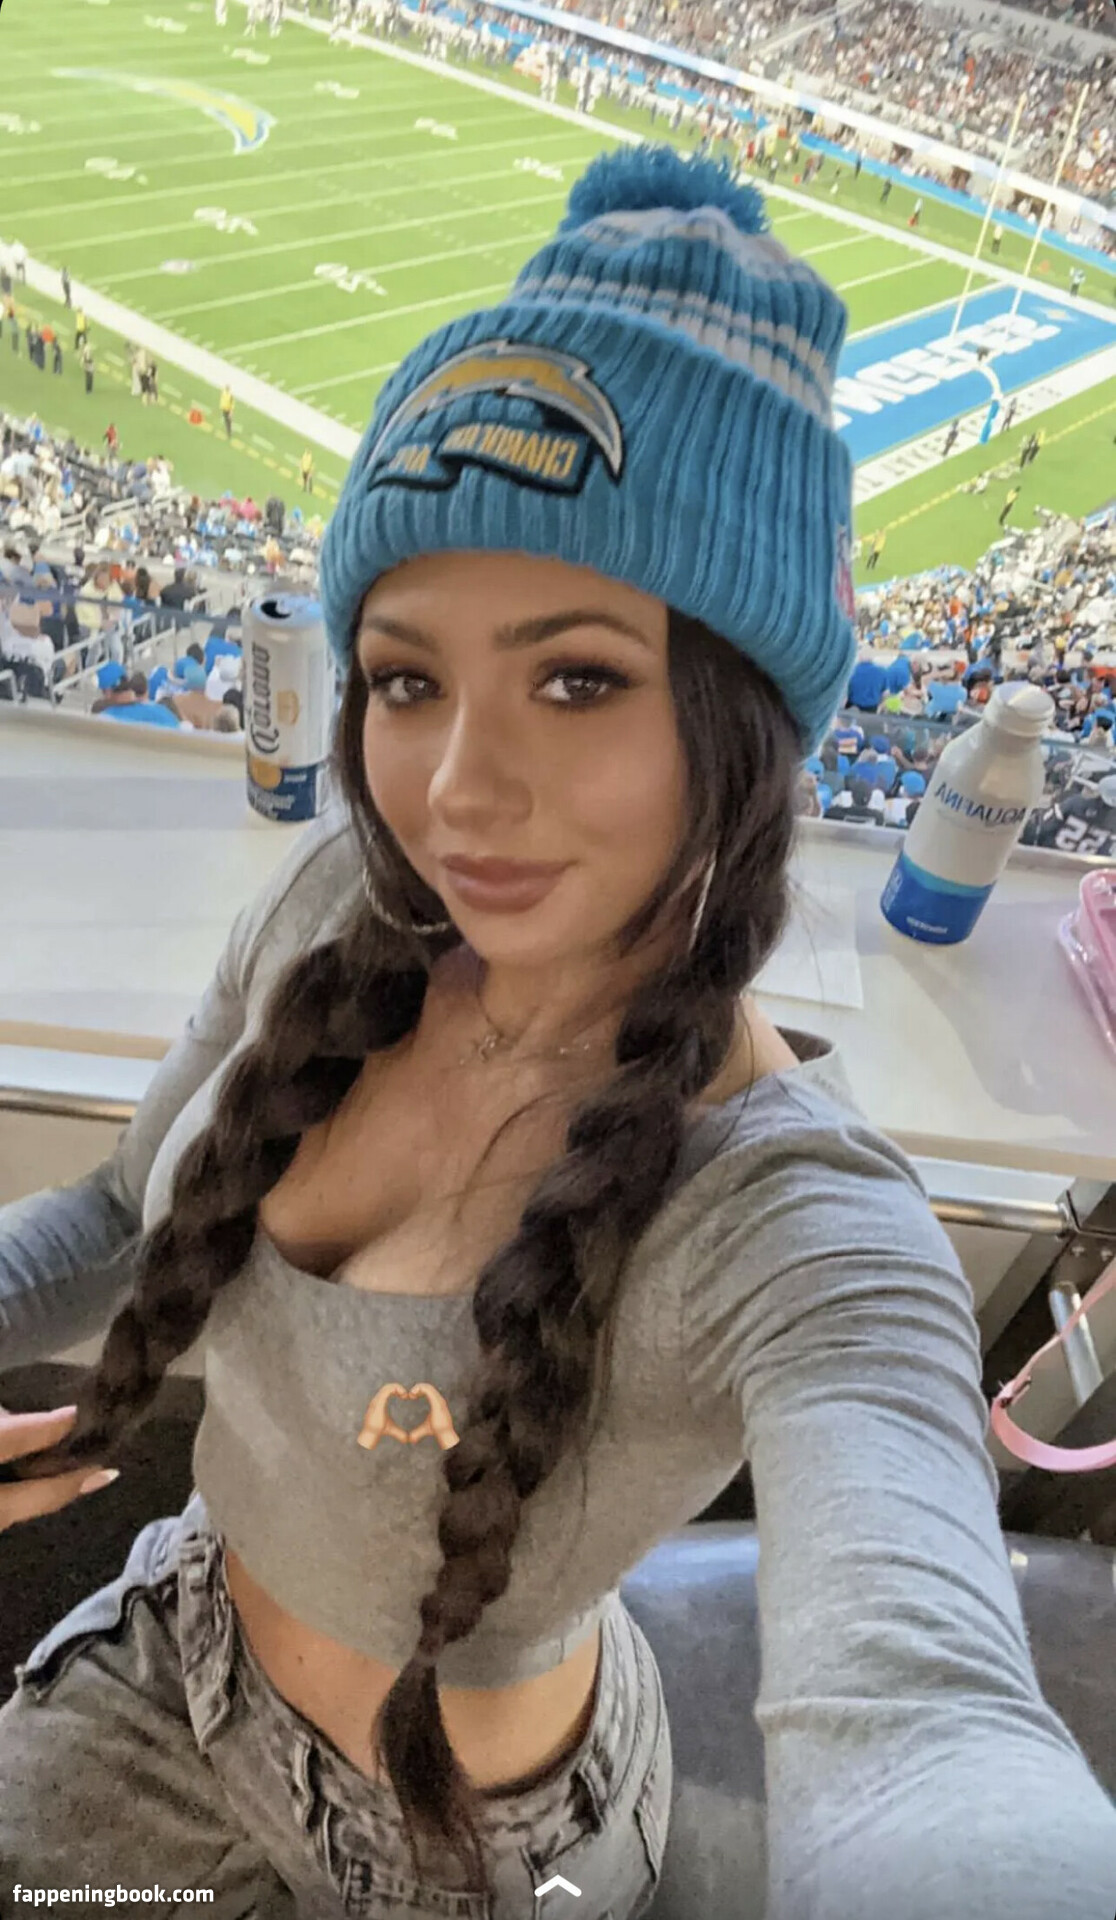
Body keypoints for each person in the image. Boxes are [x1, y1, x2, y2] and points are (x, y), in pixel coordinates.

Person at [1, 144, 1114, 1920]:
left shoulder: (794, 1223)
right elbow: (123, 1220)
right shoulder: (329, 907)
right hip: (174, 1659)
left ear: (740, 720)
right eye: (407, 678)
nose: (456, 788)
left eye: (578, 677)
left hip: (482, 1854)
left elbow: (924, 1721)